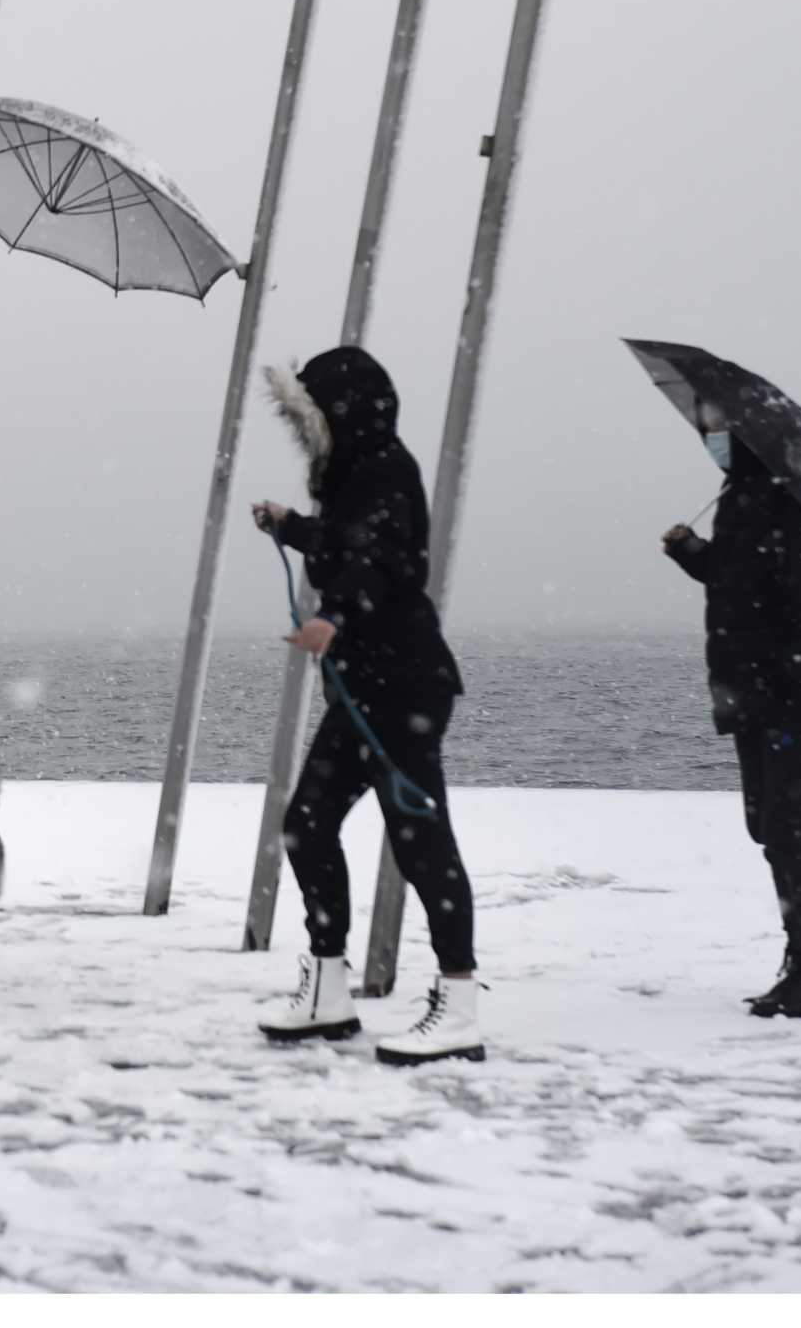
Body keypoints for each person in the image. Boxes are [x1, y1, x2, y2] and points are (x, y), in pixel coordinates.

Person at [250, 347, 480, 1065]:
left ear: (341, 412)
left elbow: (385, 562)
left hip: (405, 684)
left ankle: (461, 1003)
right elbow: (349, 543)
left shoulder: (386, 469)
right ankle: (327, 989)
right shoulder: (355, 471)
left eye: (311, 416)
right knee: (306, 825)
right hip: (364, 689)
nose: (306, 431)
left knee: (419, 838)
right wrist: (291, 524)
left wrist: (337, 615)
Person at [662, 422, 801, 1019]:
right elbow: (739, 583)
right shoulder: (744, 500)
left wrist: (793, 681)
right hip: (755, 696)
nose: (712, 440)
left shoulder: (799, 505)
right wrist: (692, 553)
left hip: (793, 699)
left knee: (793, 829)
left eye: (721, 432)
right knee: (771, 830)